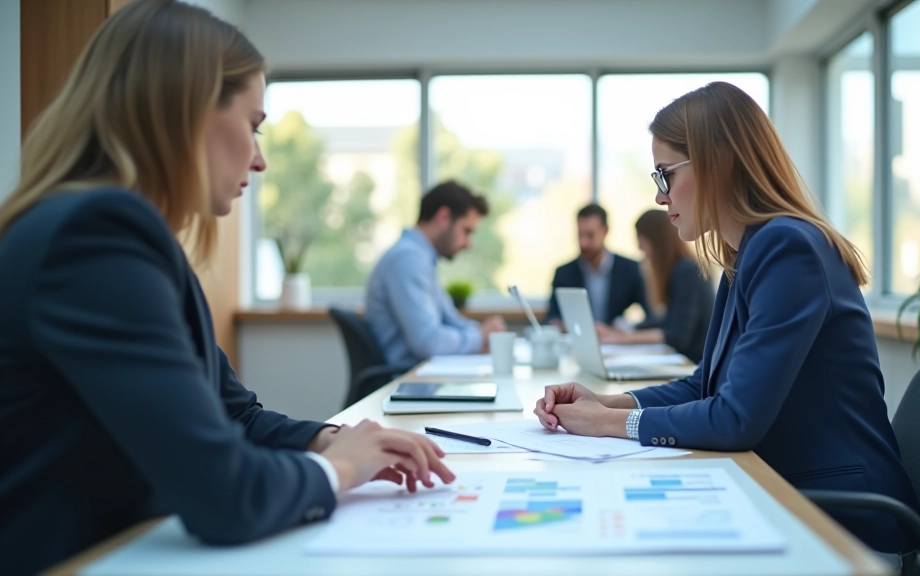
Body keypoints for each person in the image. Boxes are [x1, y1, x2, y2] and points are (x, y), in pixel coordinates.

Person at [0, 3, 453, 575]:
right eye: (254, 124)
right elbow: (223, 494)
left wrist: (334, 440)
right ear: (186, 113)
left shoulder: (130, 237)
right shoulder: (96, 236)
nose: (260, 159)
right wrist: (340, 471)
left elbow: (234, 416)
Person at [533, 82, 920, 560]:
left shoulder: (788, 248)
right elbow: (706, 387)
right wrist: (607, 402)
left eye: (665, 175)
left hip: (845, 520)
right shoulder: (747, 254)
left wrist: (610, 424)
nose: (660, 197)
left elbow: (736, 419)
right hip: (786, 492)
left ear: (717, 163)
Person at [365, 180, 507, 366]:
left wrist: (485, 331)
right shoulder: (407, 259)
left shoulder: (422, 258)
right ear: (443, 217)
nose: (468, 243)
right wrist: (480, 336)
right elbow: (427, 342)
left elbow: (450, 320)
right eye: (466, 231)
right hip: (406, 382)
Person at [598, 209, 714, 362]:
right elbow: (666, 320)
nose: (642, 252)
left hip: (692, 367)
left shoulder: (687, 271)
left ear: (657, 242)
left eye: (642, 244)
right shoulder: (681, 269)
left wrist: (622, 339)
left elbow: (677, 335)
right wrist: (626, 330)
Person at [545, 203, 649, 329]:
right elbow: (551, 317)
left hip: (615, 343)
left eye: (590, 235)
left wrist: (627, 327)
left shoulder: (630, 269)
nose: (584, 243)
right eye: (580, 235)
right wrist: (560, 325)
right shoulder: (564, 273)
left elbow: (651, 314)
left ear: (605, 231)